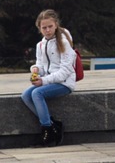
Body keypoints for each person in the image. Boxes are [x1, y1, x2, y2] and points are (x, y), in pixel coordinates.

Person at [20, 8, 77, 147]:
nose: (47, 30)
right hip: (49, 80)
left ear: (56, 24)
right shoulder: (41, 44)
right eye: (44, 27)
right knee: (25, 96)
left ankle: (48, 131)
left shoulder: (63, 42)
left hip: (64, 83)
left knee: (37, 93)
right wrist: (35, 69)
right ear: (39, 28)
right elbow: (41, 64)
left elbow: (65, 70)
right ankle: (53, 125)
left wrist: (43, 81)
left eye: (50, 26)